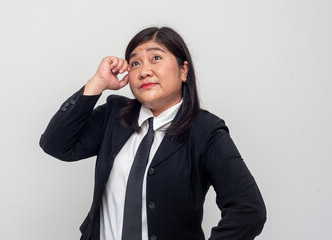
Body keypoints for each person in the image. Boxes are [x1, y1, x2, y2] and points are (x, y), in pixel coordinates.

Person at [39, 26, 266, 240]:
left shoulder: (206, 131)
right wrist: (97, 83)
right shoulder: (114, 116)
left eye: (156, 58)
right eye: (135, 63)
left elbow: (248, 210)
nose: (144, 71)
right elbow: (56, 144)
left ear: (183, 70)